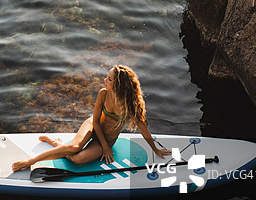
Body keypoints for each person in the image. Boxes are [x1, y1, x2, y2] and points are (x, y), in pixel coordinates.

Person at [12, 65, 171, 172]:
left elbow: (144, 129)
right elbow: (95, 121)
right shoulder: (104, 93)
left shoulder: (131, 105)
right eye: (107, 77)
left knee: (78, 159)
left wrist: (155, 149)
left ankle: (56, 144)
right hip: (93, 126)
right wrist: (104, 147)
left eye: (109, 79)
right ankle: (29, 162)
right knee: (74, 147)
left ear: (119, 85)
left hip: (107, 138)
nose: (104, 80)